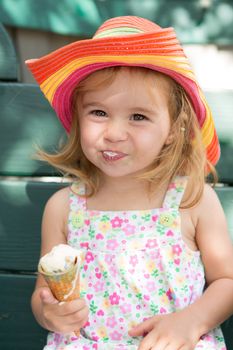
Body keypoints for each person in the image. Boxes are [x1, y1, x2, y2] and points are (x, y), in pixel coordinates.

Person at [26, 16, 233, 350]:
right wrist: (50, 313)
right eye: (98, 113)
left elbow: (227, 280)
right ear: (79, 118)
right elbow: (43, 293)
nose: (114, 133)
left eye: (138, 117)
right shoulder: (64, 208)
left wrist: (192, 321)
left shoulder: (191, 200)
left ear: (173, 129)